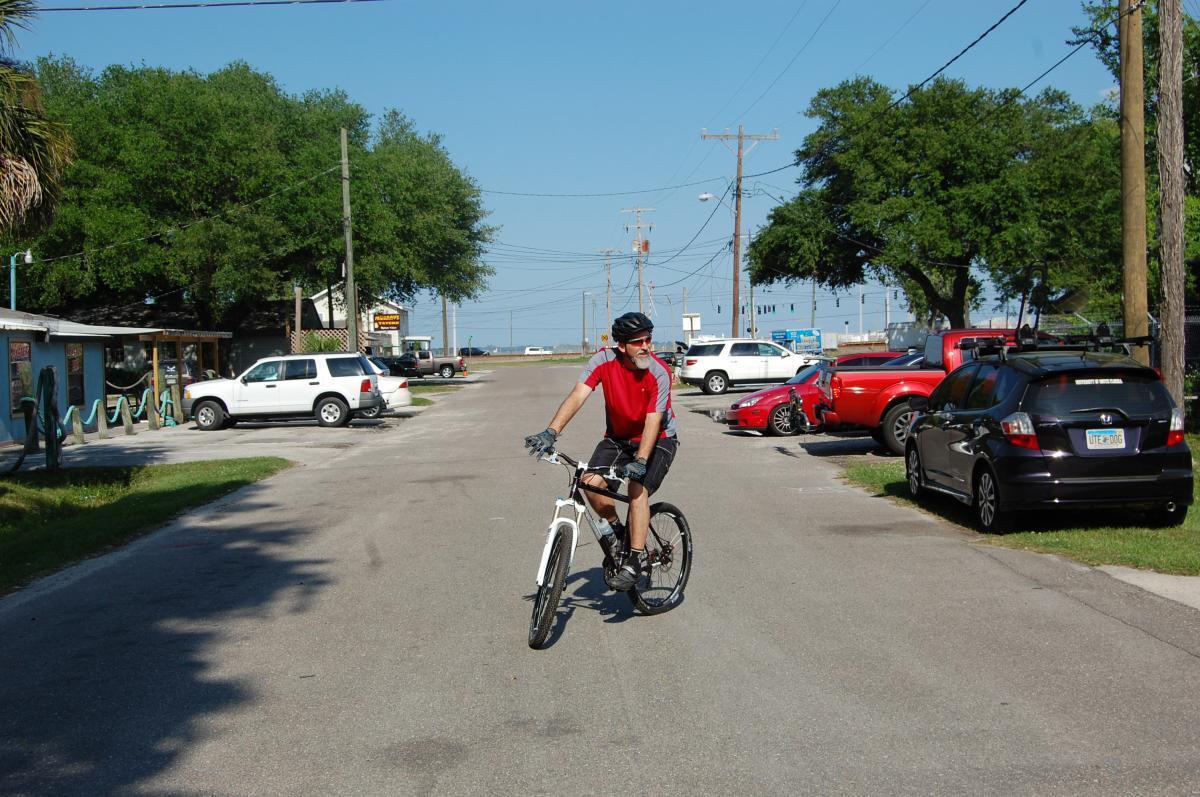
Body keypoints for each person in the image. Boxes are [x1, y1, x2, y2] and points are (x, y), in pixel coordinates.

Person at [524, 311, 680, 591]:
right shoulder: (603, 361)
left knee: (637, 488)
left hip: (658, 439)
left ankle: (633, 561)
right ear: (621, 346)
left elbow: (653, 420)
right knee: (588, 482)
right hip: (618, 438)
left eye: (648, 339)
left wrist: (642, 460)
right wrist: (551, 431)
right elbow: (579, 394)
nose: (646, 346)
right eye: (638, 342)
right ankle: (619, 533)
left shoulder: (659, 371)